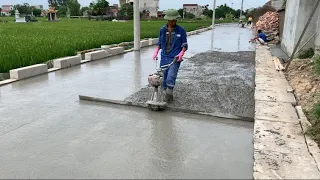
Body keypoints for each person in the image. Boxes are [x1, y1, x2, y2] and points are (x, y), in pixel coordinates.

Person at [152, 9, 188, 102]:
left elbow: (184, 45)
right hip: (164, 57)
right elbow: (160, 42)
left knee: (170, 78)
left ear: (176, 20)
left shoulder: (181, 30)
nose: (172, 22)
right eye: (170, 20)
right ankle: (163, 98)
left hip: (175, 58)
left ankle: (169, 98)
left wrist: (181, 53)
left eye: (174, 20)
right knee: (163, 79)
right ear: (167, 20)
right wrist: (156, 51)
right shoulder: (162, 30)